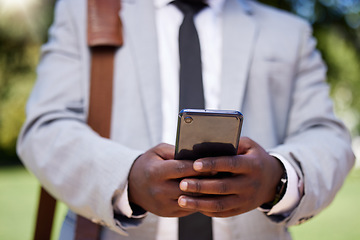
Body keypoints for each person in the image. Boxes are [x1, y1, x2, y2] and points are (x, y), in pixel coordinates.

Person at [17, 0, 355, 239]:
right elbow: (45, 128)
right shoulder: (83, 11)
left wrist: (278, 179)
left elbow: (326, 134)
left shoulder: (289, 32)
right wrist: (126, 181)